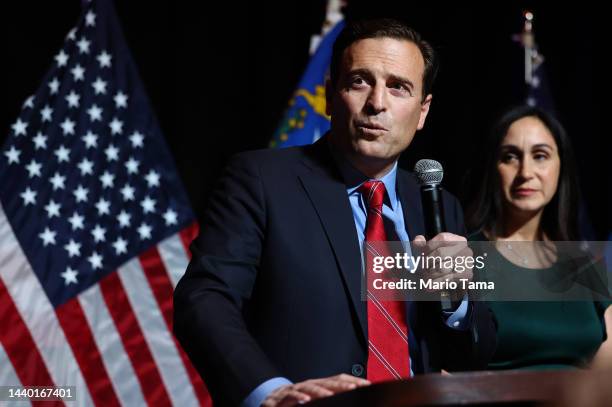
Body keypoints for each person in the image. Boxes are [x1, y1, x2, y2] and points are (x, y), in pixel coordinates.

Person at [174, 18, 497, 407]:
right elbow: (205, 298)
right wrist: (271, 393)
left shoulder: (438, 204)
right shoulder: (261, 179)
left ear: (423, 110)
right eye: (360, 81)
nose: (377, 102)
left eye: (398, 87)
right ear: (330, 95)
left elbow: (475, 351)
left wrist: (459, 300)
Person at [466, 105, 612, 371]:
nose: (525, 173)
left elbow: (606, 375)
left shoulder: (586, 266)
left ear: (561, 166)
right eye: (510, 157)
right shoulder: (464, 256)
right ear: (493, 167)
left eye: (540, 156)